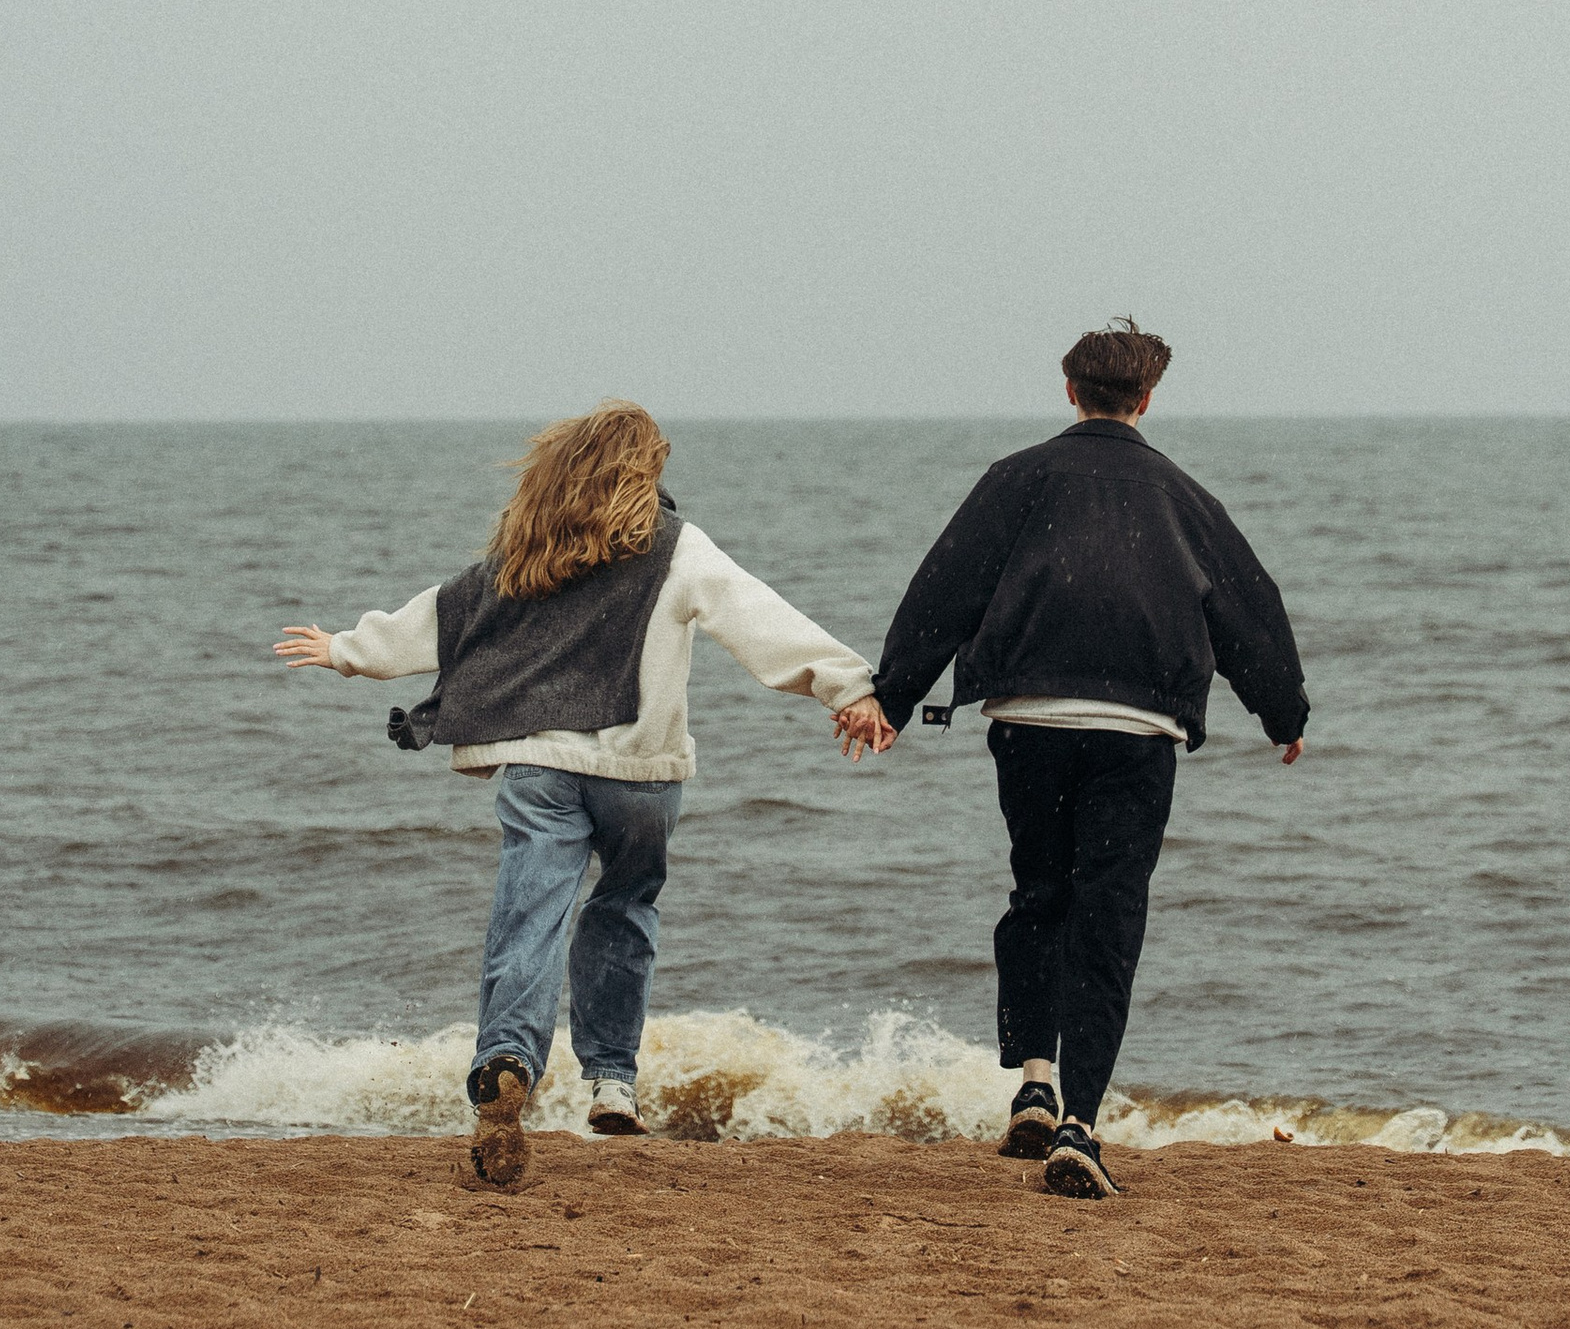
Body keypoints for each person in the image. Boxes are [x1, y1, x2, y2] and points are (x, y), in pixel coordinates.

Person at [279, 400, 889, 1189]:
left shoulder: (525, 548)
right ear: (650, 470)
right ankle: (611, 1080)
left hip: (539, 763)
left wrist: (348, 651)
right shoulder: (676, 547)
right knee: (625, 906)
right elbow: (758, 618)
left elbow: (445, 615)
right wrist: (848, 687)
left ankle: (506, 1059)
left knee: (529, 912)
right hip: (641, 771)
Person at [837, 320, 1308, 1203]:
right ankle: (1082, 1127)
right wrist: (1283, 711)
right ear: (1147, 398)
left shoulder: (1016, 480)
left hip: (1031, 719)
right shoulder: (1183, 496)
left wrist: (890, 697)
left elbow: (945, 589)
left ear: (1069, 392)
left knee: (1038, 895)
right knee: (1109, 916)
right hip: (1139, 730)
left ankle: (1034, 1079)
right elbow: (1249, 609)